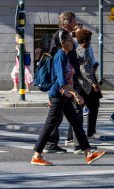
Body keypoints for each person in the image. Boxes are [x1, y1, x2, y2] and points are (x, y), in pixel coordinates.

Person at [30, 31, 105, 166]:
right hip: (59, 95)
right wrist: (76, 94)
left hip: (64, 95)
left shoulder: (65, 55)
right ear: (63, 43)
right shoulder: (60, 56)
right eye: (71, 40)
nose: (73, 42)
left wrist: (72, 94)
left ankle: (88, 153)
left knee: (76, 123)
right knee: (50, 125)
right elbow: (61, 80)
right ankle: (36, 155)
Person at [44, 11, 79, 154]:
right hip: (62, 84)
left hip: (66, 82)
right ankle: (48, 145)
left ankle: (82, 146)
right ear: (67, 22)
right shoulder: (60, 35)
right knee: (55, 117)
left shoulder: (66, 34)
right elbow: (57, 59)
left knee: (63, 116)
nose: (75, 24)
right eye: (73, 21)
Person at [74, 29, 101, 141]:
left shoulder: (81, 49)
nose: (90, 42)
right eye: (89, 39)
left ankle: (86, 133)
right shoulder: (83, 50)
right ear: (84, 40)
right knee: (88, 108)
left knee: (87, 108)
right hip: (85, 85)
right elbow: (84, 70)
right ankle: (89, 132)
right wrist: (94, 83)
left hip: (84, 84)